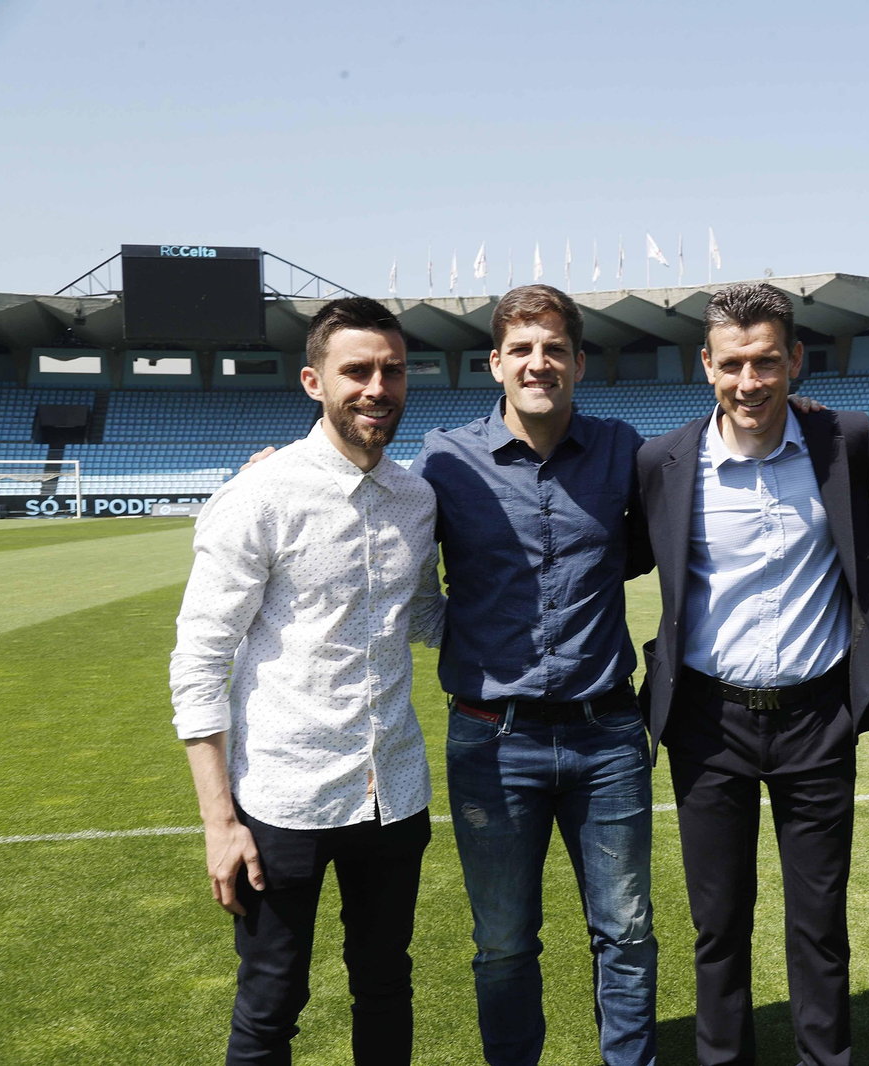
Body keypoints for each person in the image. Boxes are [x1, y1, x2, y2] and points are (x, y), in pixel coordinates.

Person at [170, 296, 445, 1065]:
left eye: (391, 370)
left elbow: (427, 619)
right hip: (282, 803)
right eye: (355, 370)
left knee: (387, 984)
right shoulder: (259, 494)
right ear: (313, 381)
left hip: (393, 793)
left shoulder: (417, 498)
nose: (376, 387)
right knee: (270, 1001)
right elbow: (198, 657)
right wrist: (219, 820)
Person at [407, 284, 660, 1066]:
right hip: (491, 743)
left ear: (579, 362)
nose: (537, 362)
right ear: (495, 363)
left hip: (607, 738)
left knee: (625, 933)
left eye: (553, 348)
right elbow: (396, 556)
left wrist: (814, 412)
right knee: (505, 943)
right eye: (521, 349)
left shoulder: (625, 450)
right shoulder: (445, 459)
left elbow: (657, 540)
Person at [634, 282, 869, 1066]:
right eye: (734, 363)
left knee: (819, 923)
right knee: (719, 926)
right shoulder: (663, 461)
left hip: (819, 718)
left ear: (795, 361)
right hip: (710, 724)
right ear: (706, 365)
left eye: (767, 362)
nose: (751, 382)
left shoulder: (844, 441)